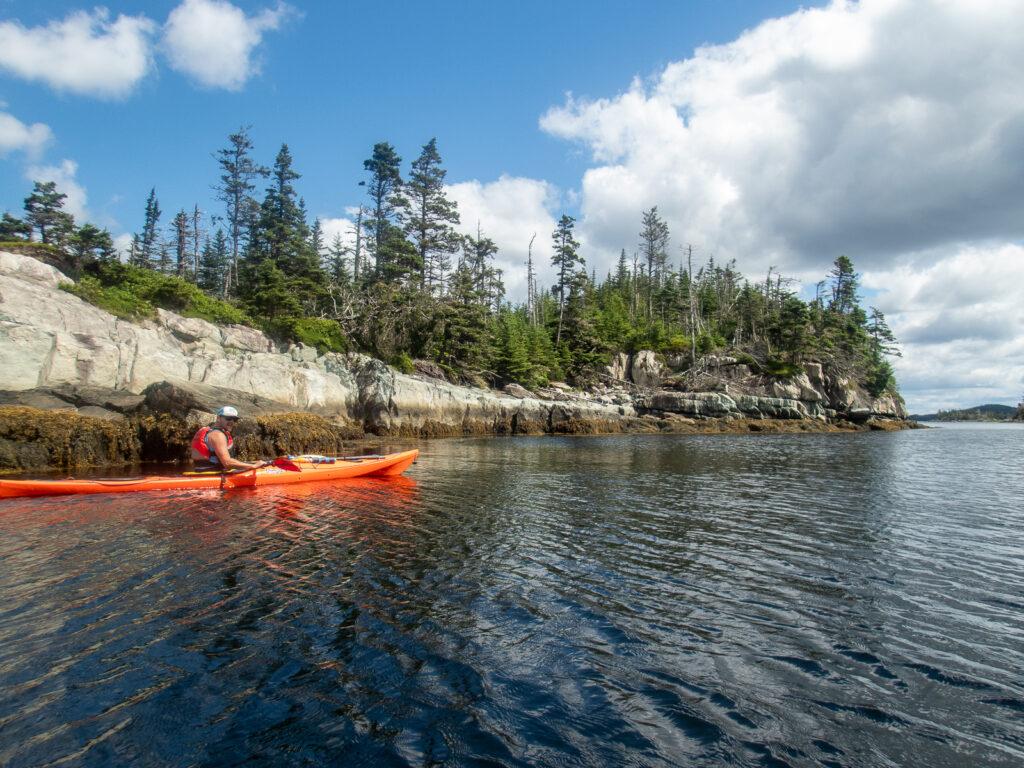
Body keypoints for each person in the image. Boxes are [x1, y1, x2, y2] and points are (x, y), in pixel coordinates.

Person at [190, 406, 268, 472]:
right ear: (218, 418)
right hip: (213, 474)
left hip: (203, 471)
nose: (231, 422)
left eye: (234, 419)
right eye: (228, 418)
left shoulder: (212, 431)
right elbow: (227, 463)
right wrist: (253, 467)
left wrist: (254, 463)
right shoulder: (218, 435)